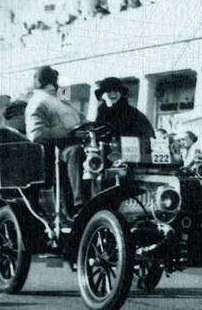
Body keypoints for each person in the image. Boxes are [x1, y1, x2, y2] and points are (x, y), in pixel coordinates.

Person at [25, 65, 86, 214]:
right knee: (75, 152)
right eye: (53, 80)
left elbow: (79, 119)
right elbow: (37, 134)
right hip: (54, 151)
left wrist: (87, 127)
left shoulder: (61, 98)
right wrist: (69, 134)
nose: (56, 83)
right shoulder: (38, 101)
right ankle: (79, 204)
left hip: (72, 144)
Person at [93, 76, 154, 143]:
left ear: (121, 93)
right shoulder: (101, 114)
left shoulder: (133, 114)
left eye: (116, 90)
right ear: (102, 96)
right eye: (108, 91)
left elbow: (148, 136)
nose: (113, 94)